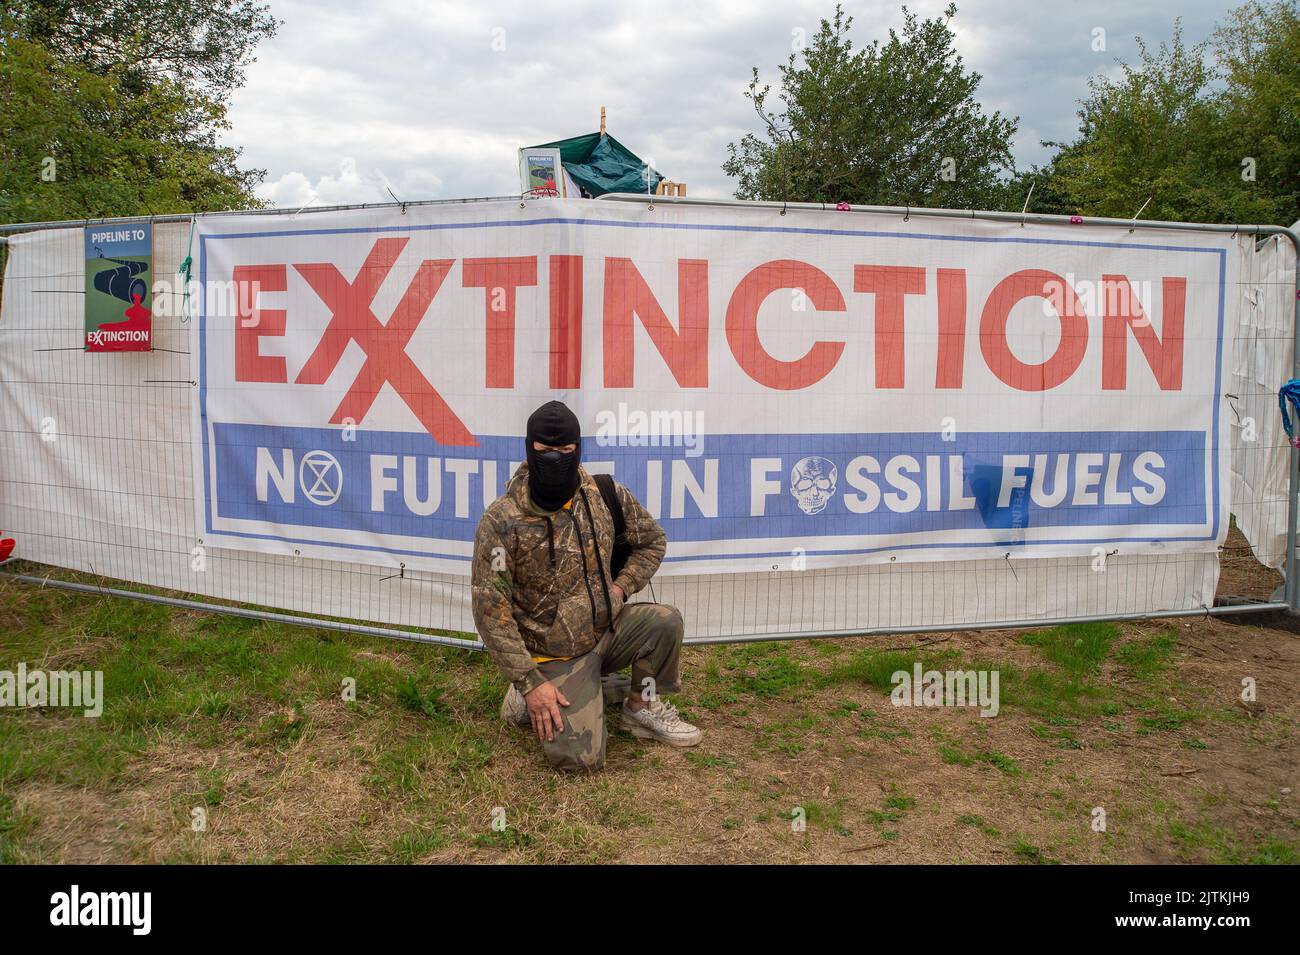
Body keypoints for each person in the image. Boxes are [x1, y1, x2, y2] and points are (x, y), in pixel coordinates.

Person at [471, 400, 702, 772]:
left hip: (605, 632)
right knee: (581, 761)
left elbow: (653, 541)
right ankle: (528, 695)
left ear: (579, 448)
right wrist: (531, 682)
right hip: (552, 654)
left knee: (664, 622)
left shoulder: (604, 494)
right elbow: (490, 613)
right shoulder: (503, 520)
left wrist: (621, 588)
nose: (556, 458)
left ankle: (639, 707)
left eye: (566, 450)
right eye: (545, 451)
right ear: (529, 450)